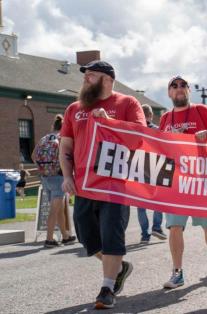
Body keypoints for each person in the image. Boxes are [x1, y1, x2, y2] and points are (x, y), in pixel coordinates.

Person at [60, 60, 143, 309]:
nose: (86, 80)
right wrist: (67, 176)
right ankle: (119, 268)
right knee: (86, 235)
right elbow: (66, 146)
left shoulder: (127, 103)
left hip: (115, 183)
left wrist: (110, 122)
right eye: (85, 76)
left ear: (108, 79)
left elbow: (140, 138)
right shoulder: (75, 108)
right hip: (84, 185)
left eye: (92, 76)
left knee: (111, 234)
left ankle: (107, 288)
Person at [159, 76, 207, 288]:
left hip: (199, 179)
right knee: (175, 226)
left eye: (183, 85)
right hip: (175, 180)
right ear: (169, 93)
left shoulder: (201, 111)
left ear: (188, 91)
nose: (179, 89)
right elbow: (159, 147)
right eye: (174, 86)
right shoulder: (166, 118)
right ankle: (177, 272)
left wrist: (205, 136)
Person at [32, 115, 76, 248]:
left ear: (53, 126)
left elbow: (33, 156)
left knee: (59, 208)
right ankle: (49, 239)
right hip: (58, 177)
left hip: (45, 177)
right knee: (54, 210)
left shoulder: (44, 138)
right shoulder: (62, 138)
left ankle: (65, 236)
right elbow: (68, 157)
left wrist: (44, 167)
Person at [136, 104, 167, 244]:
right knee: (158, 201)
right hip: (155, 168)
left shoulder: (134, 129)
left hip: (137, 169)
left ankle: (144, 234)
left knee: (141, 206)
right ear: (150, 115)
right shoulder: (156, 130)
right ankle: (156, 227)